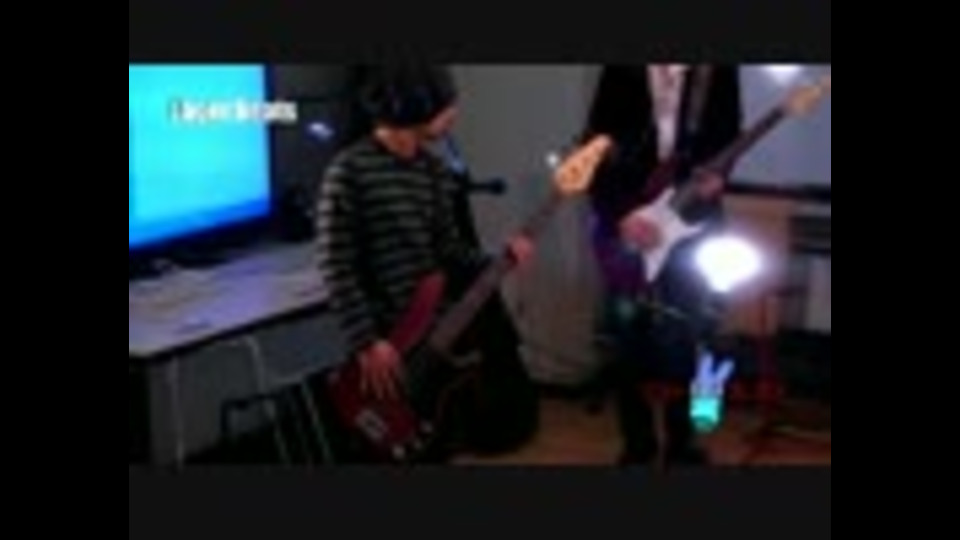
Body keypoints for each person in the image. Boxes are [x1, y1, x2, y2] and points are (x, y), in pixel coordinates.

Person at [314, 64, 535, 462]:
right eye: (446, 104)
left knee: (436, 445)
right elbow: (335, 266)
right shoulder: (348, 171)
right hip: (384, 343)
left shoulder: (433, 171)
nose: (454, 114)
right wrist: (368, 342)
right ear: (413, 103)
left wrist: (502, 259)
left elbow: (449, 251)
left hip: (433, 340)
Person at [583, 64, 742, 466]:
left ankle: (684, 441)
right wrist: (621, 214)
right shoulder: (621, 70)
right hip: (630, 222)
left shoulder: (718, 69)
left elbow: (729, 137)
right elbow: (595, 148)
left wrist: (720, 175)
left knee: (697, 335)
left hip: (693, 223)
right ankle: (637, 444)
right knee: (627, 336)